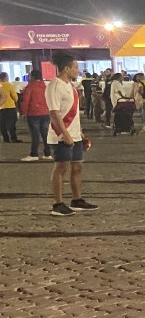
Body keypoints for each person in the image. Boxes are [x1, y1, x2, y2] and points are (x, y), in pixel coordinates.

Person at [45, 53, 99, 217]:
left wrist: (79, 133)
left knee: (77, 167)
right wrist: (65, 133)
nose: (78, 70)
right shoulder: (55, 85)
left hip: (75, 134)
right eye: (75, 67)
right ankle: (58, 203)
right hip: (61, 135)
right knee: (61, 168)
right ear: (66, 68)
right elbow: (54, 113)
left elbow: (73, 113)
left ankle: (77, 200)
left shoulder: (71, 86)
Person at [18, 69, 52, 162]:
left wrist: (23, 112)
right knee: (45, 134)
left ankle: (34, 154)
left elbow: (26, 100)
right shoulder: (45, 86)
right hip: (45, 113)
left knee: (35, 134)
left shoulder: (30, 87)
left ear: (32, 76)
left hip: (33, 113)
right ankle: (48, 153)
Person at [0, 72, 19, 143]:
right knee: (11, 123)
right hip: (10, 107)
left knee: (2, 124)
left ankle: (6, 138)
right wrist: (15, 101)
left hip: (1, 107)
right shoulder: (9, 85)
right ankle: (13, 138)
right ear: (5, 77)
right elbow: (15, 97)